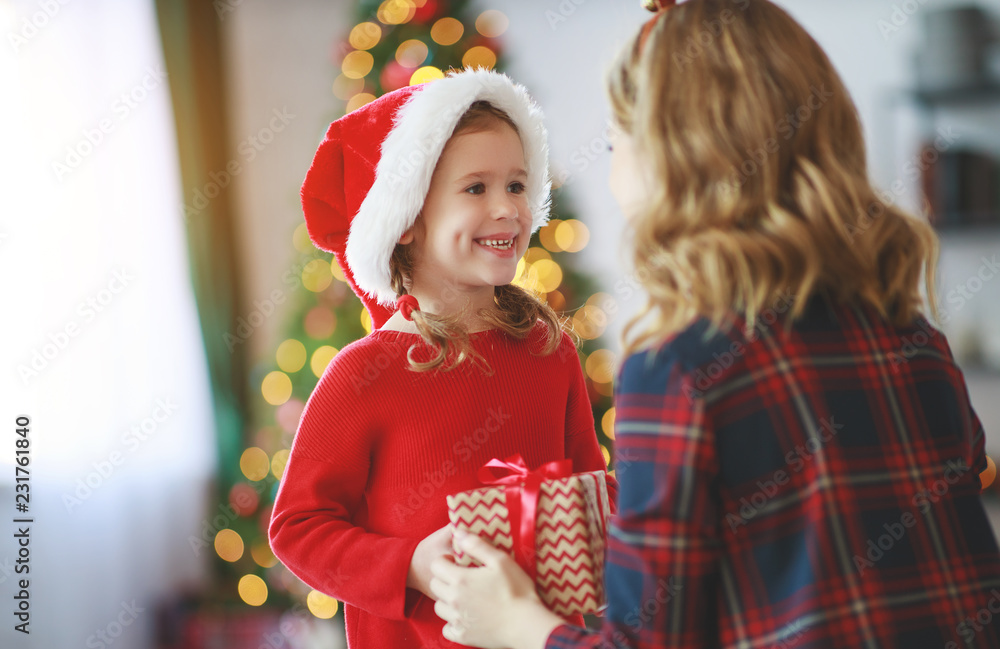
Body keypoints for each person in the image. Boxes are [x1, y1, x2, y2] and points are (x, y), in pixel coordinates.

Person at [429, 2, 1000, 648]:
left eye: (617, 144)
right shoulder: (918, 342)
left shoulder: (679, 373)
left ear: (673, 162)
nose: (614, 174)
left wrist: (520, 624)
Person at [268, 68, 619, 649]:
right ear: (406, 220)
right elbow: (297, 528)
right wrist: (409, 564)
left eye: (517, 185)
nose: (509, 209)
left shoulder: (549, 349)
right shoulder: (365, 373)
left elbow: (587, 488)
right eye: (476, 188)